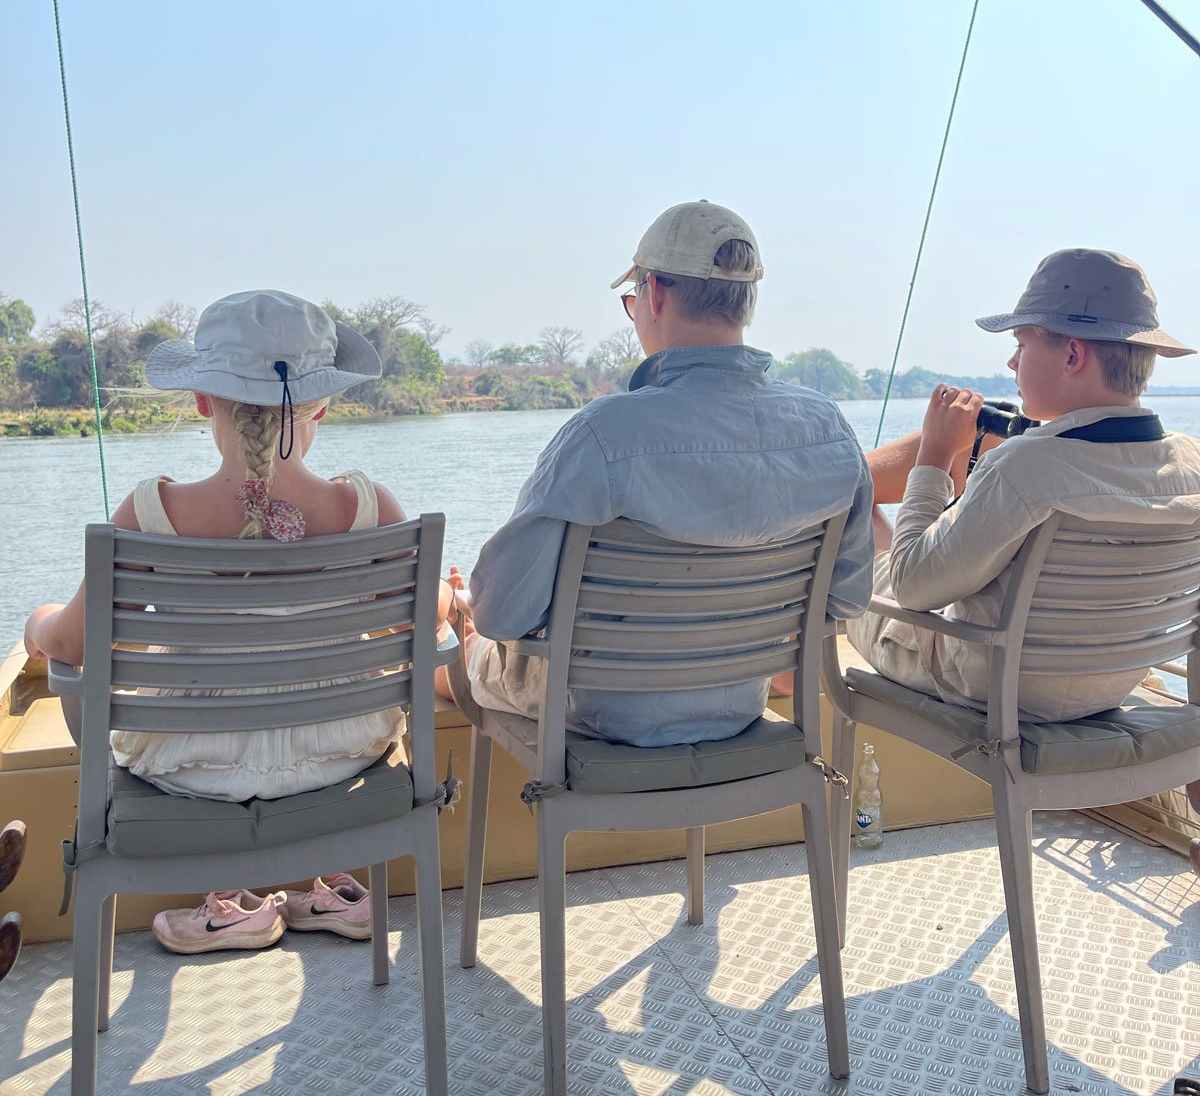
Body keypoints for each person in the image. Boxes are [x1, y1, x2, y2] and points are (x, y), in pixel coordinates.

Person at [24, 290, 465, 954]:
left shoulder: (150, 516)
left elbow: (70, 647)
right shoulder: (369, 508)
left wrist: (37, 624)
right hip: (345, 760)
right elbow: (425, 613)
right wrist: (450, 597)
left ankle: (229, 903)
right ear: (322, 403)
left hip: (187, 770)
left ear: (202, 399)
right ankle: (321, 887)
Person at [440, 200, 876, 745]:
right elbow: (848, 600)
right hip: (740, 708)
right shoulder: (826, 427)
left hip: (599, 716)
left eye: (633, 300)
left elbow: (502, 615)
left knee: (462, 642)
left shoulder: (603, 435)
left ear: (657, 294)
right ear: (747, 302)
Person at [851, 249, 1200, 722]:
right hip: (1107, 681)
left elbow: (912, 589)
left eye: (1021, 343)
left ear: (1073, 354)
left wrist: (935, 453)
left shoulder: (1025, 466)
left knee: (854, 525)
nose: (1012, 362)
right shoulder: (1191, 464)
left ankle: (784, 670)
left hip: (989, 682)